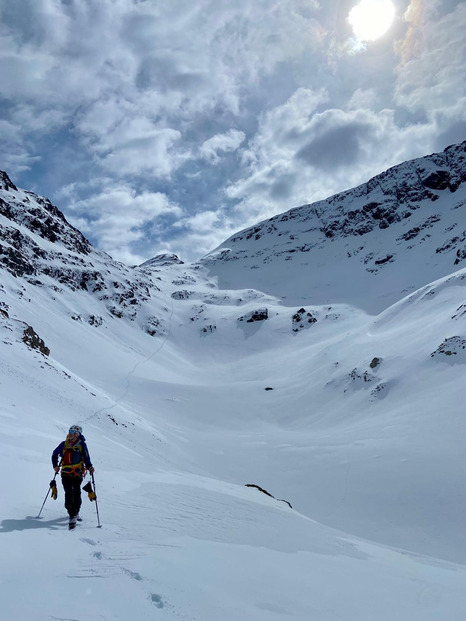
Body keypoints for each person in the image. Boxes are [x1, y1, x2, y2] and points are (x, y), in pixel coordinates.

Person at [52, 425, 94, 529]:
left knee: (75, 492)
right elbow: (54, 454)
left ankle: (75, 512)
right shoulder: (64, 444)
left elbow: (86, 457)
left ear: (78, 434)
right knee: (69, 492)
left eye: (74, 432)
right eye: (70, 431)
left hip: (77, 473)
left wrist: (90, 467)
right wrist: (55, 466)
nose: (71, 434)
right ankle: (72, 513)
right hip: (66, 473)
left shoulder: (82, 445)